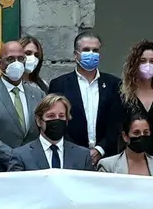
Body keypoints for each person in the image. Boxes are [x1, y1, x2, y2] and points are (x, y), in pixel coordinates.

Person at [48, 30, 122, 165]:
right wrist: (79, 152)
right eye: (86, 50)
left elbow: (116, 122)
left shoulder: (114, 84)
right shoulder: (60, 84)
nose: (91, 54)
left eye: (95, 50)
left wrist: (100, 149)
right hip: (70, 156)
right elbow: (58, 122)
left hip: (107, 158)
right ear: (76, 55)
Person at [0, 40, 45, 167]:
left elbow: (43, 131)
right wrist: (15, 158)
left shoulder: (38, 94)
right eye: (10, 59)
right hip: (2, 167)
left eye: (20, 58)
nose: (16, 63)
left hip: (34, 167)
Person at [9, 94, 93, 171]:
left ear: (67, 120)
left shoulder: (83, 155)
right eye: (51, 116)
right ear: (39, 121)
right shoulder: (20, 156)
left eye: (61, 116)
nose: (57, 119)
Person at [98, 110, 153, 177]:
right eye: (136, 133)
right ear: (125, 136)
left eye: (146, 132)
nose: (142, 136)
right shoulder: (107, 166)